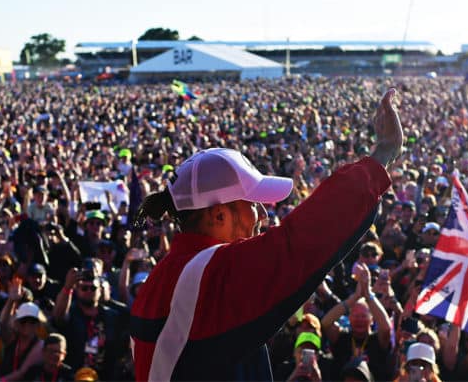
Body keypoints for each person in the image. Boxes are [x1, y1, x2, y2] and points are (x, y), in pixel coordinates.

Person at [130, 89, 403, 380]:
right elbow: (300, 241)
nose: (263, 214)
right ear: (218, 215)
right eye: (253, 203)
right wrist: (383, 154)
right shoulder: (210, 274)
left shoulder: (165, 276)